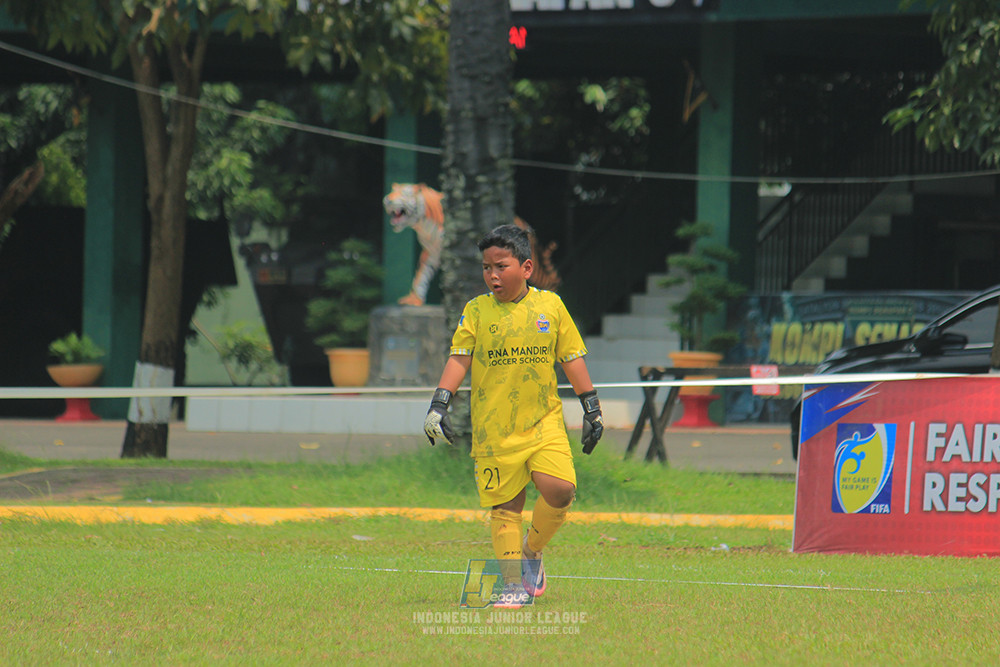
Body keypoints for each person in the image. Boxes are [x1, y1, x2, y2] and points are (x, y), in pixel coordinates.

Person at [423, 223, 603, 609]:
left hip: (544, 423)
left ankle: (532, 551)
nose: (492, 275)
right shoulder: (476, 310)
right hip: (494, 430)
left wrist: (592, 408)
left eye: (500, 266)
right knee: (506, 508)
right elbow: (459, 358)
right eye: (486, 267)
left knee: (561, 488)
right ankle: (512, 587)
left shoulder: (550, 307)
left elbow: (571, 357)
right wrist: (439, 404)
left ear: (525, 267)